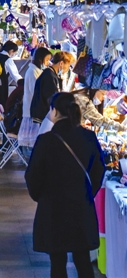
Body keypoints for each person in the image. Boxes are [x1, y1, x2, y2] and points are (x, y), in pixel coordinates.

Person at [25, 92, 105, 278]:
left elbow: (33, 176)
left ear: (54, 111)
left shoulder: (45, 141)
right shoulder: (89, 137)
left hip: (53, 208)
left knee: (57, 261)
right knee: (82, 259)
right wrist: (86, 193)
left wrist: (41, 197)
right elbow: (99, 170)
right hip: (81, 206)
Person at [18, 47, 52, 149]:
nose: (48, 63)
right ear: (40, 59)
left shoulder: (36, 71)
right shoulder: (33, 72)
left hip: (33, 108)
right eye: (46, 60)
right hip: (32, 109)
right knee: (34, 139)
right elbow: (35, 92)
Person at [30, 51, 72, 124]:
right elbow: (52, 97)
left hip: (43, 114)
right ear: (61, 63)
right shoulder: (49, 76)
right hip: (43, 114)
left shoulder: (51, 74)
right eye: (68, 66)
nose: (67, 70)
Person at [0, 41, 22, 109]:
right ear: (11, 51)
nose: (14, 54)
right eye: (15, 53)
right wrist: (21, 82)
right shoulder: (8, 60)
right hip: (2, 83)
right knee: (1, 104)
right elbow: (15, 75)